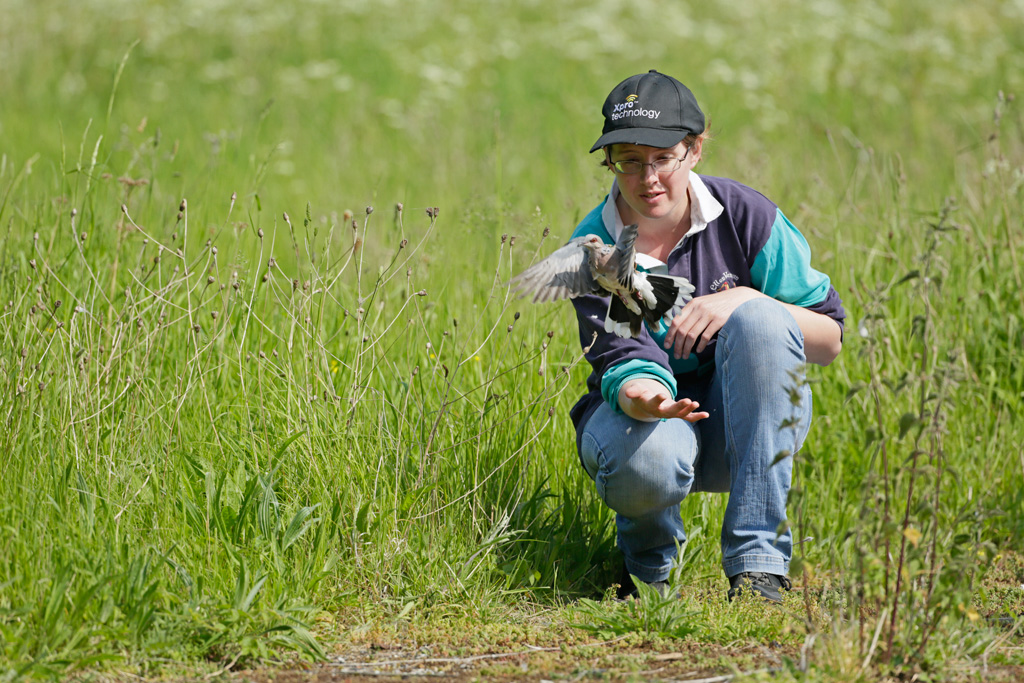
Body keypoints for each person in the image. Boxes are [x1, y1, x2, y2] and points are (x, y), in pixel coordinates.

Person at [569, 70, 845, 602]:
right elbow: (621, 353)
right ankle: (646, 569)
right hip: (645, 426)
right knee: (650, 454)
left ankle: (758, 566)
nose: (647, 177)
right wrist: (646, 400)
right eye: (629, 160)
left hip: (746, 423)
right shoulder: (599, 248)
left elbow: (828, 338)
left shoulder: (745, 215)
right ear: (610, 163)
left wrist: (747, 298)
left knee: (764, 320)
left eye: (662, 158)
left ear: (694, 150)